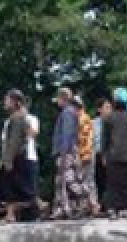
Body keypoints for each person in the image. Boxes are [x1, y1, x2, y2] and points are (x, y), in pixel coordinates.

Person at [100, 88, 127, 218]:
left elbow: (105, 139)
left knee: (113, 185)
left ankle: (113, 209)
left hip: (114, 156)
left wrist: (103, 155)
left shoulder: (108, 118)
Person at [0, 89, 34, 224]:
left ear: (15, 102)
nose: (4, 103)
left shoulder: (17, 118)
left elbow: (15, 141)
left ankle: (38, 205)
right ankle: (10, 215)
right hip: (14, 157)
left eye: (7, 100)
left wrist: (7, 161)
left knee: (15, 188)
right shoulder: (17, 117)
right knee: (11, 188)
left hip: (15, 158)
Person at [50, 87, 90, 220]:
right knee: (62, 181)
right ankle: (64, 208)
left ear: (63, 99)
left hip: (66, 152)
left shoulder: (67, 113)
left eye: (58, 99)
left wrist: (63, 152)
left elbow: (66, 134)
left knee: (67, 180)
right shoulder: (72, 112)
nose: (57, 103)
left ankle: (84, 200)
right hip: (70, 151)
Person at [76, 96, 100, 217]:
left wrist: (85, 155)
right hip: (85, 153)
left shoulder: (83, 119)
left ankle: (93, 205)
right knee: (86, 181)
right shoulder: (82, 118)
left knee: (87, 181)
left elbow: (86, 139)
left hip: (85, 154)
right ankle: (88, 206)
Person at [92, 99, 111, 213]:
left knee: (110, 182)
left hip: (110, 155)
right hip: (96, 154)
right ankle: (98, 207)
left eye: (110, 107)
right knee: (98, 182)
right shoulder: (93, 123)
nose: (109, 109)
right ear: (99, 109)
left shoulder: (112, 122)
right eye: (106, 107)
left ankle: (109, 206)